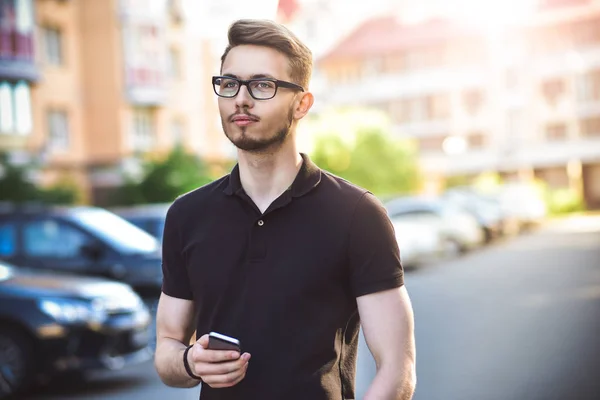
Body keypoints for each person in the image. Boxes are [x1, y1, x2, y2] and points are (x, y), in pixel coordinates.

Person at [154, 19, 416, 400]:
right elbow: (166, 349)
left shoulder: (356, 214)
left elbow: (398, 367)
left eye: (262, 85)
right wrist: (191, 362)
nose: (241, 98)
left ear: (301, 104)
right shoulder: (186, 215)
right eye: (230, 84)